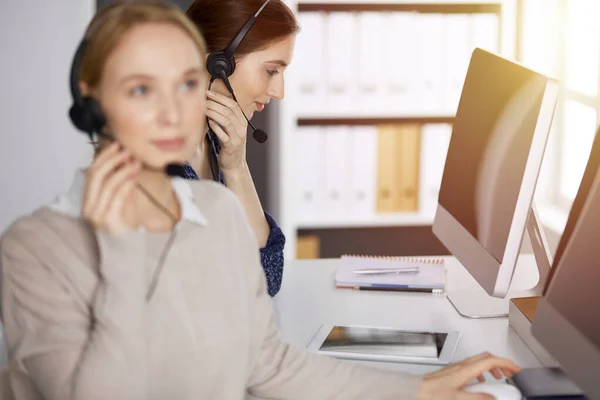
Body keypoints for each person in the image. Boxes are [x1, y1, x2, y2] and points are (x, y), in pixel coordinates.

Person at [0, 2, 521, 399]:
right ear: (91, 102)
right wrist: (121, 255)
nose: (171, 110)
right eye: (140, 89)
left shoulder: (216, 212)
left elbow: (267, 364)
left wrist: (418, 388)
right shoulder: (33, 249)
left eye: (185, 84)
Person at [182, 0, 298, 297]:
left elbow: (266, 278)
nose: (279, 92)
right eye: (272, 71)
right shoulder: (157, 167)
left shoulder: (208, 144)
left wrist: (236, 167)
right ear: (218, 63)